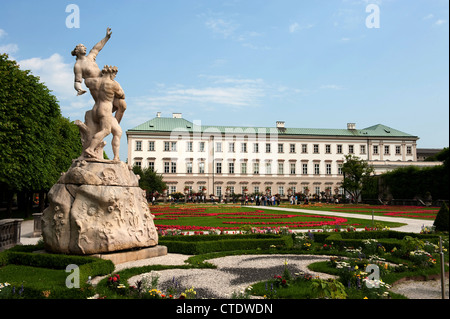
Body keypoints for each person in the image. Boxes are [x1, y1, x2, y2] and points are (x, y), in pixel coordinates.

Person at [72, 27, 126, 124]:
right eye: (82, 46)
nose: (85, 47)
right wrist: (79, 89)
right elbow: (77, 81)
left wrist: (106, 37)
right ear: (77, 50)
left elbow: (97, 48)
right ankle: (100, 122)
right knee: (104, 107)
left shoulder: (90, 57)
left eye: (84, 46)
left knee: (122, 105)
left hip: (105, 81)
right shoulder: (78, 65)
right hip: (96, 87)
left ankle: (114, 126)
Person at [83, 65, 124, 161]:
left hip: (96, 108)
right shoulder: (113, 84)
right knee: (106, 130)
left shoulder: (94, 81)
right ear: (111, 73)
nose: (115, 76)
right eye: (114, 74)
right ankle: (90, 149)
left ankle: (116, 157)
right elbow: (122, 95)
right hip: (105, 109)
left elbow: (86, 81)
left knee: (118, 131)